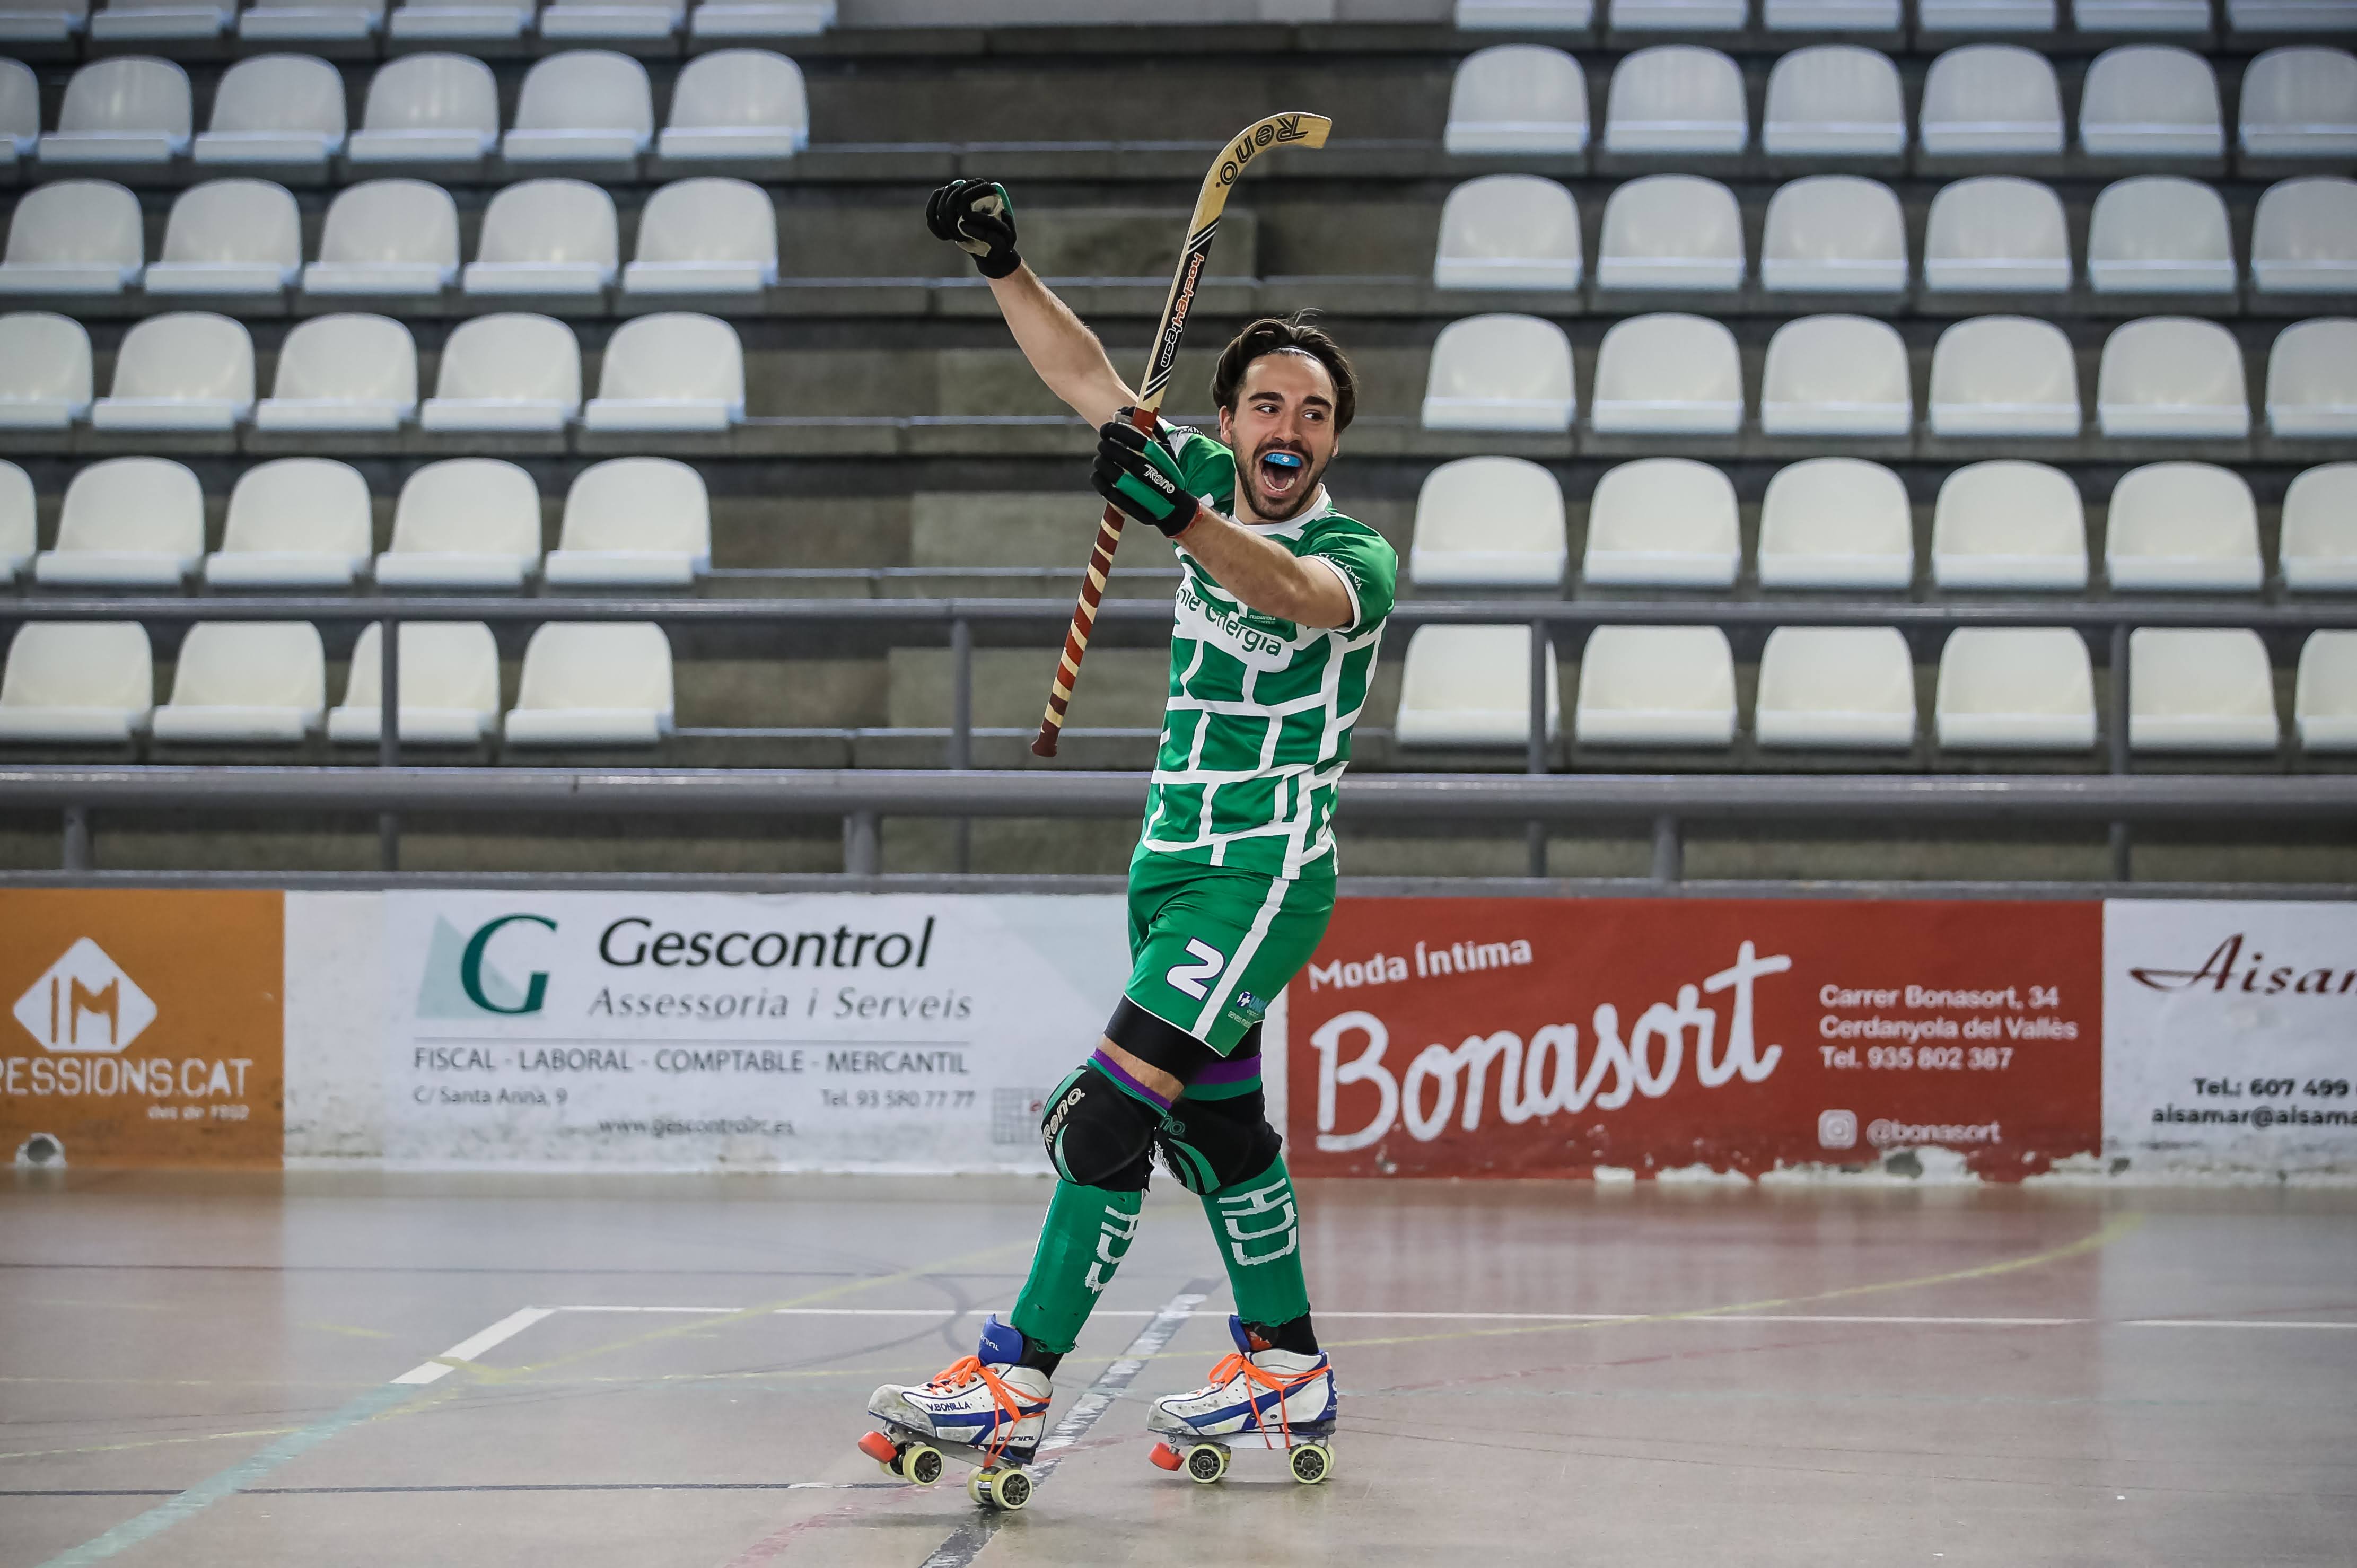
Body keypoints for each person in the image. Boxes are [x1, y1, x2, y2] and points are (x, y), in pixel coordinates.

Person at [863, 178, 1397, 1484]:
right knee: (1219, 1132)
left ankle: (1013, 1378)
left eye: (1314, 414)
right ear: (1228, 420)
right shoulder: (1202, 472)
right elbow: (1087, 374)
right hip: (1167, 869)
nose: (1290, 426)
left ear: (1332, 443)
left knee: (1102, 1118)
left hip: (1262, 878)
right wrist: (1005, 266)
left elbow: (1278, 586)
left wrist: (1176, 515)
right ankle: (1288, 1365)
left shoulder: (1355, 556)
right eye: (1267, 404)